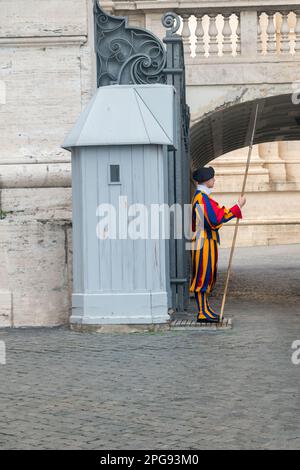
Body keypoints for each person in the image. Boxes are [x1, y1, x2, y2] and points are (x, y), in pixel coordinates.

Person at [190, 166, 246, 323]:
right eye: (212, 178)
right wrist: (237, 207)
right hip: (203, 243)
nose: (214, 180)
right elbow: (214, 220)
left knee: (208, 276)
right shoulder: (201, 199)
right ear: (207, 180)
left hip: (207, 241)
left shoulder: (204, 198)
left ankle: (205, 309)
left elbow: (216, 215)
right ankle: (202, 312)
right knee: (202, 276)